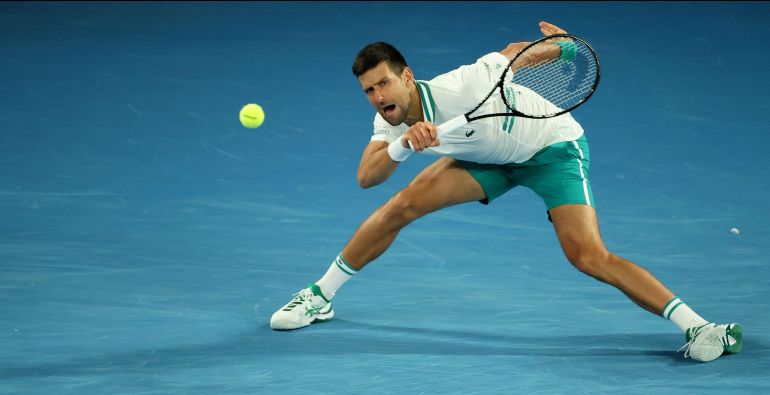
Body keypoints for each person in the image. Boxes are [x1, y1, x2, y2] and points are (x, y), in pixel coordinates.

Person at [268, 20, 742, 363]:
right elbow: (366, 177)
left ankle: (701, 328)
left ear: (406, 76)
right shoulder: (388, 119)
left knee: (588, 256)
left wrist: (562, 45)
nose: (378, 97)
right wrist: (403, 149)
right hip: (490, 158)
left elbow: (517, 52)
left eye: (384, 84)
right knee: (401, 205)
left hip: (552, 149)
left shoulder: (468, 83)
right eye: (368, 90)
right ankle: (320, 296)